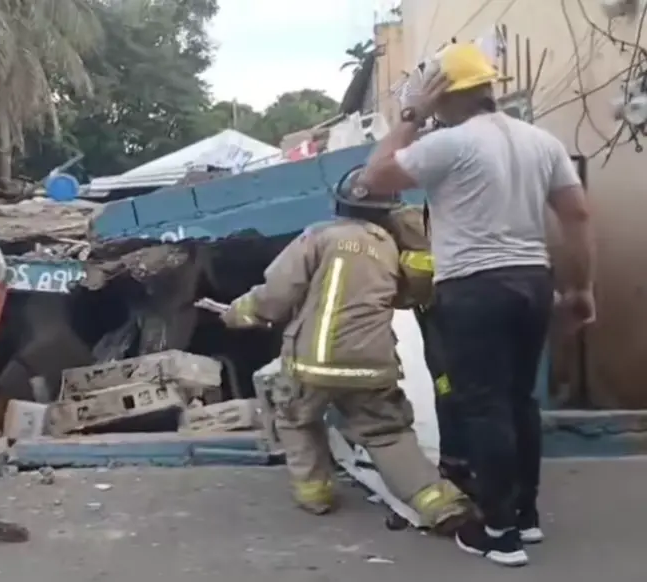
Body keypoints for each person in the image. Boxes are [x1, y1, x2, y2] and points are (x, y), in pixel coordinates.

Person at [357, 42, 594, 567]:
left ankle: (499, 532)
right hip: (533, 280)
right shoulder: (541, 142)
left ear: (445, 95)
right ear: (489, 88)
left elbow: (373, 179)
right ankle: (525, 516)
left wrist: (411, 116)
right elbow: (576, 215)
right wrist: (580, 289)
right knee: (518, 401)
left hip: (475, 286)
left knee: (484, 405)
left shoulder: (448, 144)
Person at [216, 167, 471, 535]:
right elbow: (408, 296)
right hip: (372, 366)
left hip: (313, 363)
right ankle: (440, 503)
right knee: (387, 434)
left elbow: (277, 293)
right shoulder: (391, 246)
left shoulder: (319, 236)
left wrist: (238, 313)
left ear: (341, 202)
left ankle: (315, 493)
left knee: (295, 418)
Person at [382, 205, 474, 497]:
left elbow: (405, 296)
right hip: (464, 321)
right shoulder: (451, 244)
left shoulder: (411, 259)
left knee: (446, 389)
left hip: (441, 331)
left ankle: (455, 462)